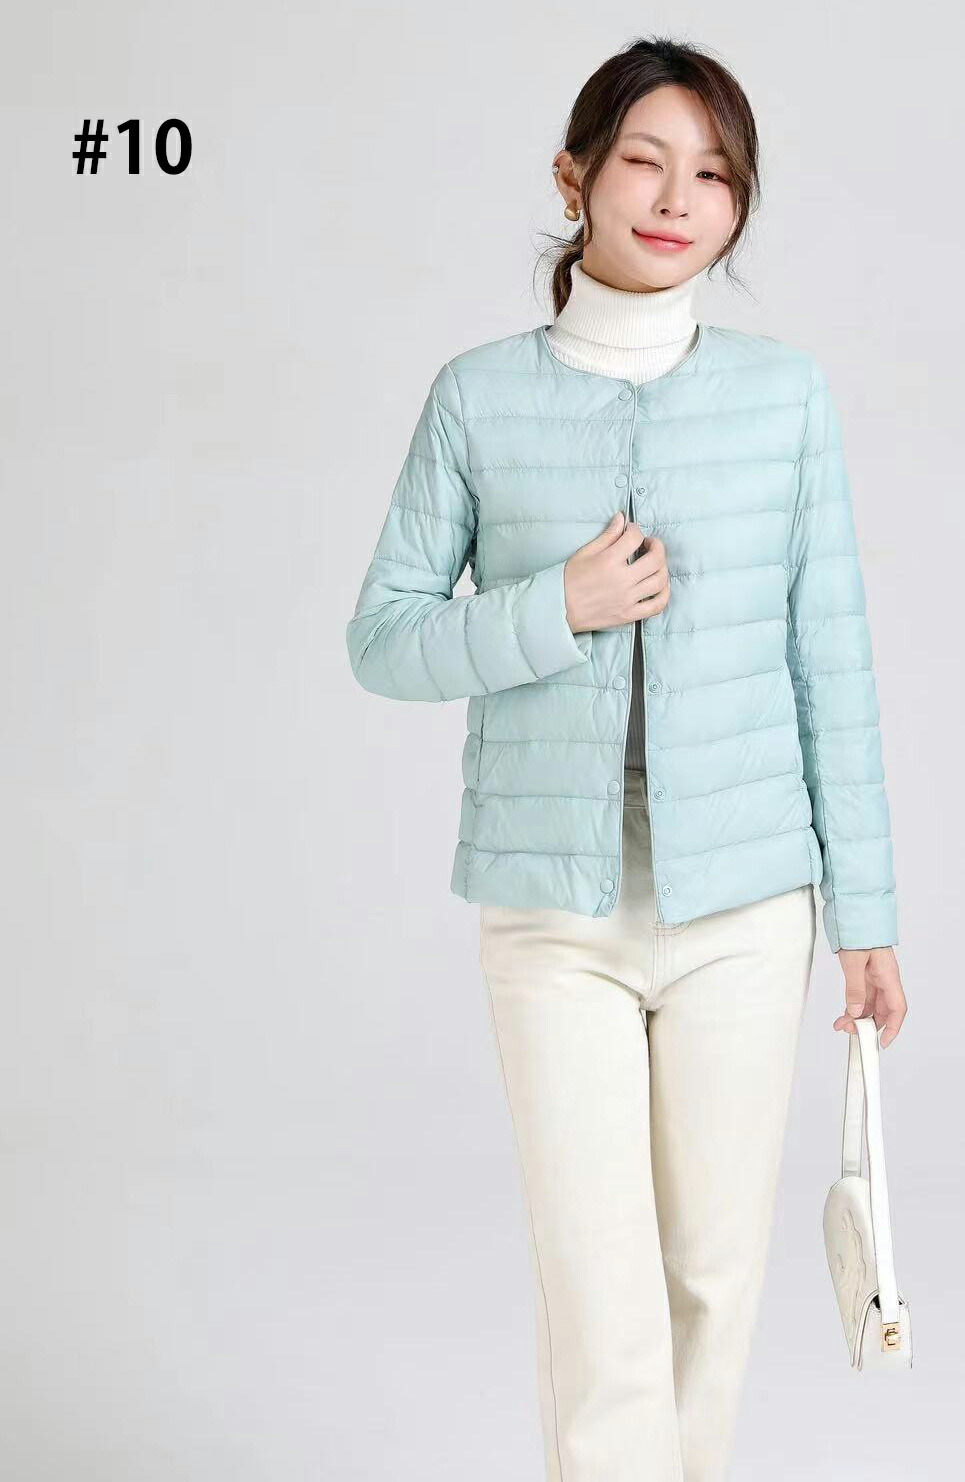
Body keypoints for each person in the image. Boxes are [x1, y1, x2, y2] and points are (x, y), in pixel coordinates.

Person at [346, 35, 908, 1482]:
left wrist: (866, 915)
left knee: (713, 1285)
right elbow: (384, 640)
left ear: (739, 204)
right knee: (604, 1310)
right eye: (646, 162)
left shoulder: (785, 398)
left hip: (746, 906)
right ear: (574, 177)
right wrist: (556, 608)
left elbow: (832, 658)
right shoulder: (478, 397)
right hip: (552, 914)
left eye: (713, 175)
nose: (675, 200)